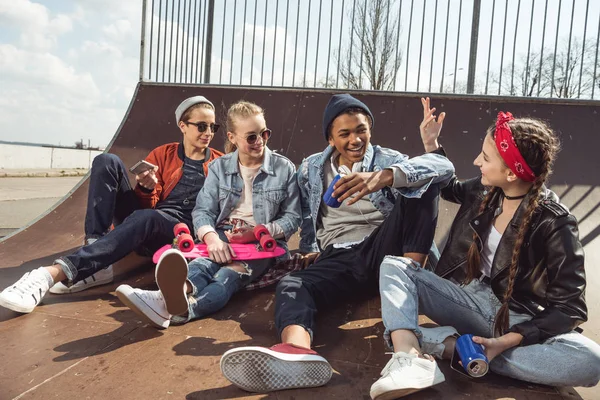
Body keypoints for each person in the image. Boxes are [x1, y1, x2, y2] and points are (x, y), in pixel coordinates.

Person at [219, 94, 455, 393]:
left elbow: (443, 169)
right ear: (330, 138)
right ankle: (297, 353)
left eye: (361, 130)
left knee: (421, 184)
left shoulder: (387, 160)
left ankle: (412, 280)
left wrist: (383, 177)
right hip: (340, 255)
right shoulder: (311, 168)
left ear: (370, 129)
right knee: (293, 284)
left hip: (386, 250)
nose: (355, 140)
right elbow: (306, 215)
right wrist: (308, 248)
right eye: (344, 134)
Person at [369, 98, 600, 400]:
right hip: (468, 300)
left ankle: (452, 347)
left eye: (486, 157)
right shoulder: (483, 189)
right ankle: (409, 359)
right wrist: (431, 144)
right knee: (395, 266)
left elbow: (570, 307)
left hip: (517, 318)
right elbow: (448, 185)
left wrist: (507, 342)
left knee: (590, 362)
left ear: (511, 173)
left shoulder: (555, 221)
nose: (477, 161)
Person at [0, 96, 223, 313]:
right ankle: (98, 262)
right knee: (107, 161)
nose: (208, 133)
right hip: (148, 219)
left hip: (177, 234)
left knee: (148, 218)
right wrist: (146, 188)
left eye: (213, 127)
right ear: (183, 126)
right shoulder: (164, 153)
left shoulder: (219, 163)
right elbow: (150, 204)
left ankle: (50, 274)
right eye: (202, 126)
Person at [115, 101, 301, 329]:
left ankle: (181, 310)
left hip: (263, 242)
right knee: (202, 266)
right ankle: (168, 297)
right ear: (232, 138)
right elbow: (203, 210)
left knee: (227, 277)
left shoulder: (285, 168)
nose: (260, 141)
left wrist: (255, 233)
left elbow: (293, 218)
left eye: (264, 133)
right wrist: (211, 238)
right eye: (251, 137)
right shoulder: (218, 167)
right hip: (223, 233)